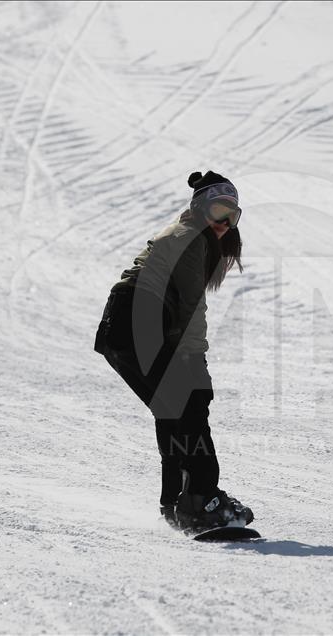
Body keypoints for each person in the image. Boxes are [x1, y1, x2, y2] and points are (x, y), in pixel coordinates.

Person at [94, 170, 254, 531]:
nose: (225, 223)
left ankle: (179, 502)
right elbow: (190, 308)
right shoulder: (190, 238)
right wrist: (196, 361)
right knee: (189, 405)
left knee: (174, 411)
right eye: (219, 212)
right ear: (200, 209)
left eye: (233, 216)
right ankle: (202, 499)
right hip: (139, 319)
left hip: (123, 326)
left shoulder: (189, 236)